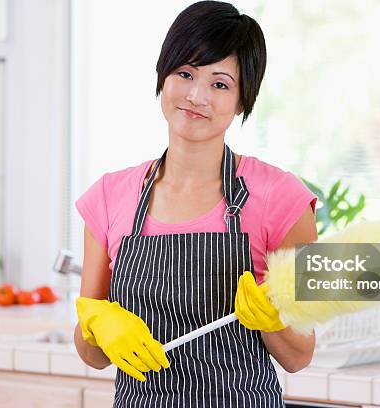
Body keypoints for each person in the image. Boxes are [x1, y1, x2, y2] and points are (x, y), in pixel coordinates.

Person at [73, 1, 318, 406]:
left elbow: (300, 355)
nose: (195, 96)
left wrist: (273, 324)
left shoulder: (282, 199)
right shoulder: (109, 196)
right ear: (163, 76)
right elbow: (90, 355)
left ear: (242, 100)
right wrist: (97, 324)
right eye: (184, 73)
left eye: (220, 84)